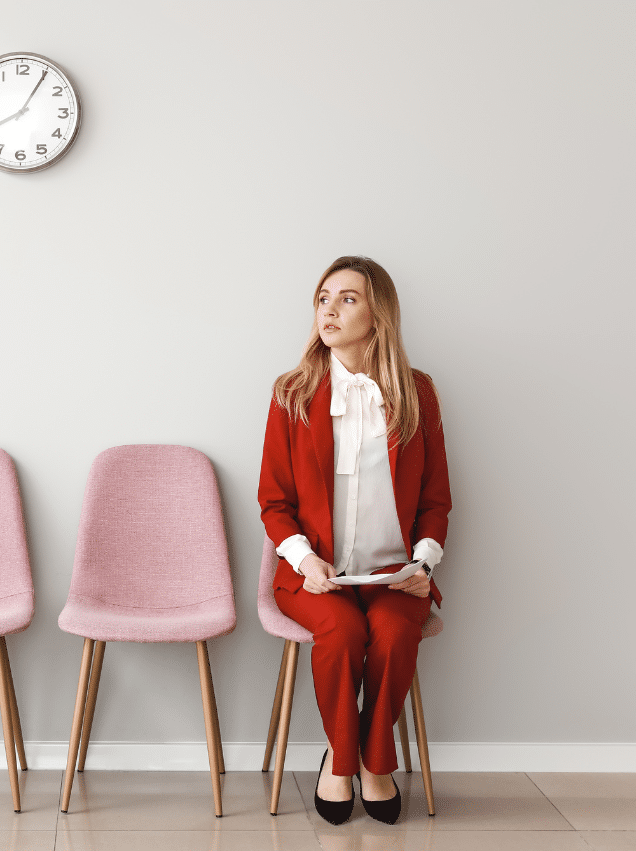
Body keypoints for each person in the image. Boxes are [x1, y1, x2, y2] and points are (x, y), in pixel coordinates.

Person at [258, 256, 451, 825]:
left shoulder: (418, 393)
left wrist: (424, 563)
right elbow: (274, 500)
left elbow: (436, 498)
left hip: (396, 574)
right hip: (315, 574)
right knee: (341, 636)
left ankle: (372, 761)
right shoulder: (292, 393)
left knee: (392, 633)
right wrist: (304, 559)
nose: (330, 310)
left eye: (347, 299)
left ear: (378, 313)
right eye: (323, 298)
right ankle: (347, 763)